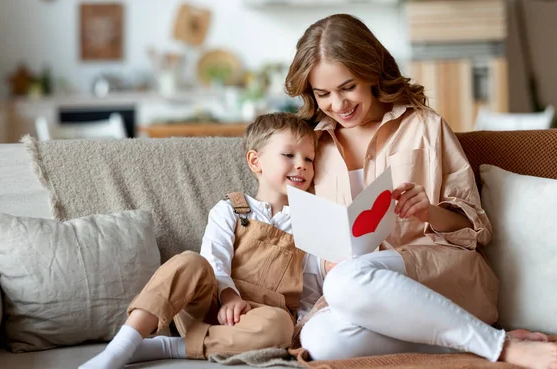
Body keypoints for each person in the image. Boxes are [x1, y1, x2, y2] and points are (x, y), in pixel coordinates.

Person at [284, 13, 556, 369]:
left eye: (348, 87)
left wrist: (429, 211)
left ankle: (501, 348)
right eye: (323, 94)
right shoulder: (313, 145)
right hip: (362, 293)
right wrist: (326, 260)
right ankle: (472, 340)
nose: (338, 104)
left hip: (438, 274)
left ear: (372, 72)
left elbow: (477, 230)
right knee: (321, 340)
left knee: (347, 280)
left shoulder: (425, 127)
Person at [79, 112, 323, 369]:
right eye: (289, 155)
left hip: (259, 320)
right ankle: (122, 344)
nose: (301, 165)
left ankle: (170, 347)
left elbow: (310, 291)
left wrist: (301, 329)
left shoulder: (311, 224)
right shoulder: (231, 208)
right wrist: (229, 296)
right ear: (255, 161)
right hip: (210, 305)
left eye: (309, 158)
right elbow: (213, 258)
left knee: (280, 326)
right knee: (191, 261)